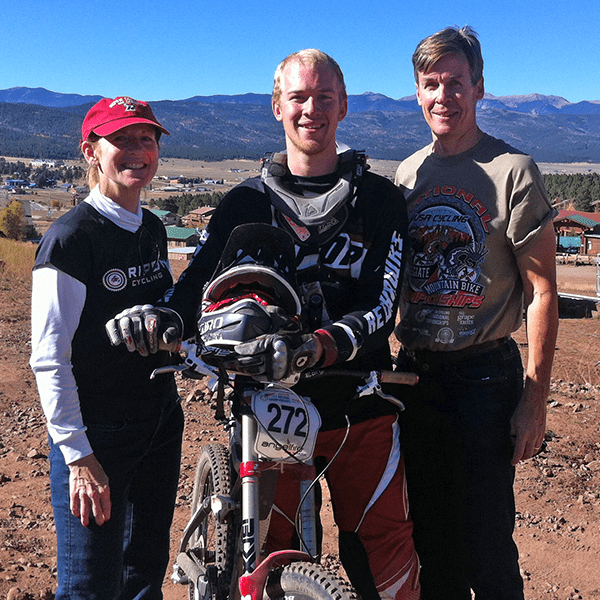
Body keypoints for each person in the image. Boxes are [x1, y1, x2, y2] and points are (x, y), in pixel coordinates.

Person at [107, 50, 420, 600]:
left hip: (359, 401)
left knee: (385, 556)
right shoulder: (244, 202)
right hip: (268, 404)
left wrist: (318, 346)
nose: (312, 110)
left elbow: (380, 306)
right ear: (278, 106)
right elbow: (198, 282)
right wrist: (166, 317)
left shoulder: (380, 199)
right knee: (274, 560)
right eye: (299, 97)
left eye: (325, 98)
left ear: (343, 105)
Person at [393, 26, 559, 600]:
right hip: (414, 377)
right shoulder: (407, 176)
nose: (444, 96)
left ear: (479, 87)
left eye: (456, 83)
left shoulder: (514, 171)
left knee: (487, 547)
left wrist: (534, 400)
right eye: (431, 84)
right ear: (417, 92)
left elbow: (542, 292)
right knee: (430, 546)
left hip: (484, 379)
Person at [30, 97, 184, 600]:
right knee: (89, 586)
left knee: (143, 575)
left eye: (147, 138)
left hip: (159, 420)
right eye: (121, 139)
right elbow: (49, 357)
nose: (137, 150)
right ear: (91, 152)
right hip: (99, 435)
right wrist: (78, 457)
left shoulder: (153, 228)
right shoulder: (71, 240)